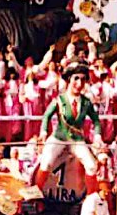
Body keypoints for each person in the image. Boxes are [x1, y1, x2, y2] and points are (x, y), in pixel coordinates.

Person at [34, 60, 103, 194]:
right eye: (76, 79)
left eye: (83, 80)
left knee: (92, 166)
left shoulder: (86, 102)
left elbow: (96, 121)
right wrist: (43, 133)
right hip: (59, 137)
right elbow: (46, 116)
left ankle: (90, 199)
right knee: (46, 163)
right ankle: (36, 195)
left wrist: (97, 136)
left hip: (76, 140)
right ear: (69, 80)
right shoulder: (60, 100)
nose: (79, 83)